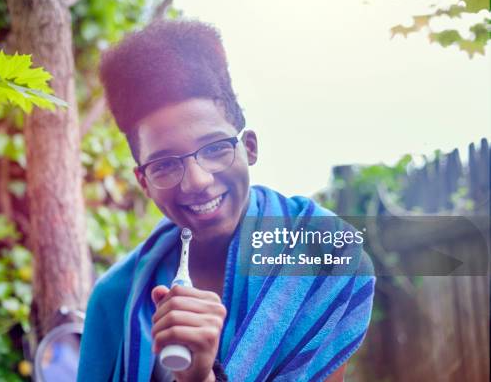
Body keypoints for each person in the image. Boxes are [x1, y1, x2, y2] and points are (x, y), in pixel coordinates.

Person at [77, 20, 375, 382]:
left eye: (216, 148)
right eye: (165, 164)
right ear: (144, 182)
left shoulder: (320, 257)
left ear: (249, 147)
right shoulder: (114, 300)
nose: (198, 182)